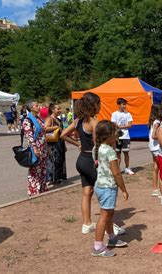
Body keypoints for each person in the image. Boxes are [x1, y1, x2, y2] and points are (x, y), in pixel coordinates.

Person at [61, 92, 125, 236]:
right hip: (92, 162)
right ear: (93, 105)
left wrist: (78, 144)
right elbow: (100, 145)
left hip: (81, 160)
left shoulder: (77, 121)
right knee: (106, 192)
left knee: (87, 192)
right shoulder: (95, 123)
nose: (100, 106)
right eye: (99, 103)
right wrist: (112, 154)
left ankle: (87, 223)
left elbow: (63, 134)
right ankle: (111, 227)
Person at [92, 120, 129, 257]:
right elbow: (116, 173)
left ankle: (112, 238)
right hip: (108, 187)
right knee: (104, 217)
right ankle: (98, 247)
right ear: (108, 135)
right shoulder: (110, 152)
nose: (117, 135)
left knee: (109, 214)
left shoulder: (97, 148)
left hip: (100, 185)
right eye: (115, 133)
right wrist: (124, 189)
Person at [23, 100, 49, 196]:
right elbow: (29, 136)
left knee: (43, 169)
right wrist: (35, 148)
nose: (39, 107)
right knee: (35, 169)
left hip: (43, 148)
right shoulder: (28, 120)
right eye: (36, 106)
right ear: (31, 108)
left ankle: (42, 188)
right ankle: (34, 190)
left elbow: (43, 133)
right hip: (36, 148)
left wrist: (47, 147)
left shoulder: (39, 118)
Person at [111, 98, 134, 175]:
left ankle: (127, 168)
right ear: (119, 105)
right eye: (123, 104)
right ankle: (117, 170)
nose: (124, 106)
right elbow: (114, 124)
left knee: (126, 153)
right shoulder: (114, 114)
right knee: (118, 153)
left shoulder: (128, 114)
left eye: (125, 104)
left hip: (126, 136)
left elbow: (130, 125)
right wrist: (122, 127)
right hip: (117, 137)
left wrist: (121, 127)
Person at [45, 103, 66, 184]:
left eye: (60, 108)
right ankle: (52, 179)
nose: (60, 110)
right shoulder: (50, 118)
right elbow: (45, 128)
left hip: (60, 142)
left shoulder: (58, 119)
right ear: (53, 110)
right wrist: (56, 127)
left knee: (59, 160)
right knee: (53, 160)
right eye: (58, 109)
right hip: (53, 143)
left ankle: (58, 178)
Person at [149, 104, 162, 197]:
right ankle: (157, 189)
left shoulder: (152, 121)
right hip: (157, 147)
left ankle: (155, 188)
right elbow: (154, 135)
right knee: (159, 167)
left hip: (153, 147)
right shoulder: (157, 122)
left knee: (155, 167)